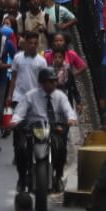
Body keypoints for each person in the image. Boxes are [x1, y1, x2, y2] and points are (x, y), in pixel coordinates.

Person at [13, 67, 78, 197]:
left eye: (54, 81)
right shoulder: (30, 96)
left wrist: (71, 119)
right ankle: (21, 178)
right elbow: (19, 112)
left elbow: (69, 111)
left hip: (52, 129)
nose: (53, 83)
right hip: (33, 130)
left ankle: (58, 176)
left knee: (60, 147)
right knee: (21, 148)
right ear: (42, 82)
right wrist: (15, 121)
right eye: (49, 81)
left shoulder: (61, 96)